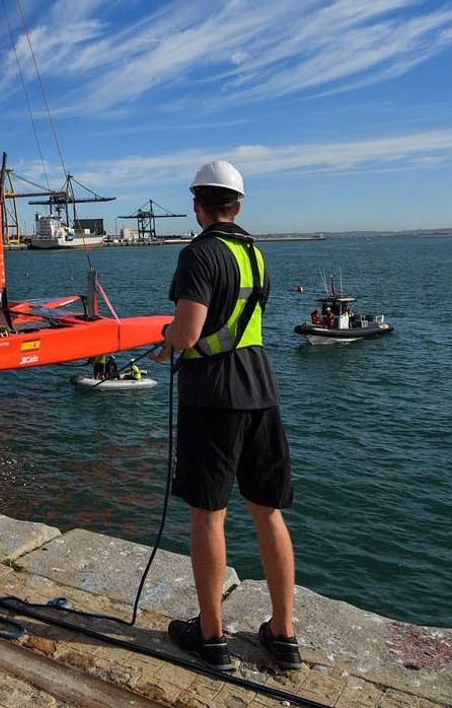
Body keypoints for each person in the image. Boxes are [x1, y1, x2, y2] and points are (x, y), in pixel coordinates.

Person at [154, 160, 303, 673]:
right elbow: (242, 323)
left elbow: (190, 332)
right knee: (268, 511)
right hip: (261, 387)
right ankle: (283, 636)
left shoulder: (198, 254)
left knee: (209, 514)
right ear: (237, 205)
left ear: (198, 205)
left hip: (214, 395)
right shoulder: (255, 255)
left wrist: (168, 341)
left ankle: (212, 636)